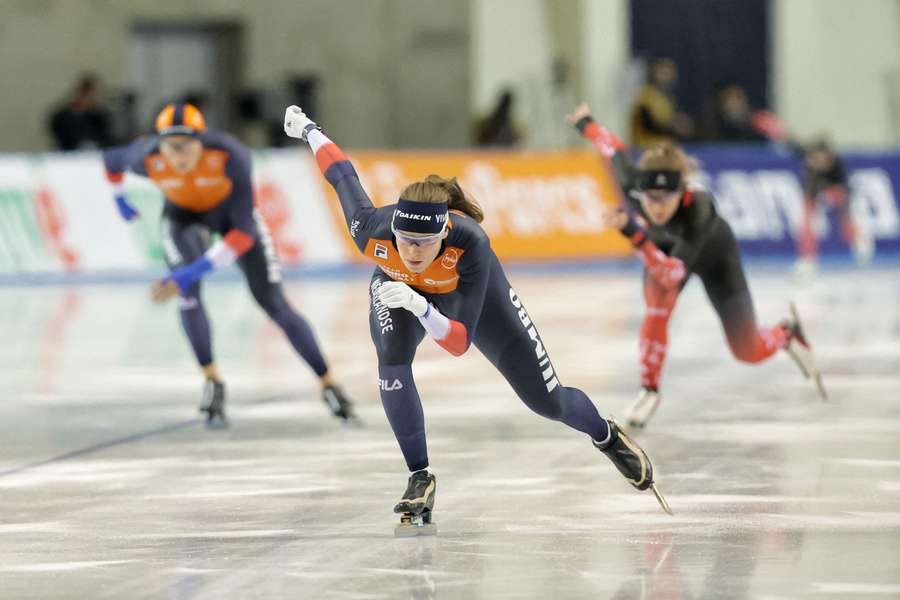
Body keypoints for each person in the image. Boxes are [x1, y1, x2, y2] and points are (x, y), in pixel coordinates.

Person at [283, 104, 672, 533]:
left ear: (444, 233)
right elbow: (341, 174)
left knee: (548, 402)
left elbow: (458, 343)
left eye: (423, 243)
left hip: (476, 303)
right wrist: (308, 129)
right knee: (391, 362)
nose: (412, 252)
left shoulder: (471, 243)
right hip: (396, 291)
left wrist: (421, 306)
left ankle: (606, 435)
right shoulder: (370, 228)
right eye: (404, 240)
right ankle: (420, 475)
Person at [568, 102, 826, 429]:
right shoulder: (633, 183)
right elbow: (611, 146)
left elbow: (672, 272)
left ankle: (786, 333)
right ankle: (648, 389)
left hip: (716, 258)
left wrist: (634, 234)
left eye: (665, 199)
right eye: (649, 198)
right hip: (663, 249)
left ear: (682, 193)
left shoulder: (699, 209)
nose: (656, 207)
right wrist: (586, 123)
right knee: (656, 309)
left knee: (747, 351)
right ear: (639, 190)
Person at [102, 102, 356, 427]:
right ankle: (211, 379)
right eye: (170, 147)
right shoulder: (145, 156)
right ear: (158, 144)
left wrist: (194, 269)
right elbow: (110, 160)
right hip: (182, 218)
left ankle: (328, 382)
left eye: (184, 147)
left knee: (273, 302)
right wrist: (118, 197)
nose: (177, 156)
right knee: (188, 294)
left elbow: (243, 235)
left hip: (232, 218)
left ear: (201, 141)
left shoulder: (230, 155)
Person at [794, 139, 873, 276]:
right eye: (816, 158)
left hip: (837, 191)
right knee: (806, 223)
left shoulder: (838, 165)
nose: (819, 162)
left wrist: (833, 195)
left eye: (822, 159)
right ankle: (807, 259)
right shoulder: (809, 165)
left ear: (828, 157)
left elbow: (845, 189)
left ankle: (858, 239)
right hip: (815, 192)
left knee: (845, 220)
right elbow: (809, 191)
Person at [629, 58, 692, 147]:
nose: (667, 76)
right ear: (654, 72)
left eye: (670, 72)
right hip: (645, 148)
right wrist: (674, 126)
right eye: (663, 72)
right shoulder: (645, 94)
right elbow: (648, 125)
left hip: (664, 147)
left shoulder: (665, 98)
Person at [48, 74, 114, 151]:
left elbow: (108, 140)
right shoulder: (62, 117)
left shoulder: (99, 117)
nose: (100, 97)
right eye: (96, 94)